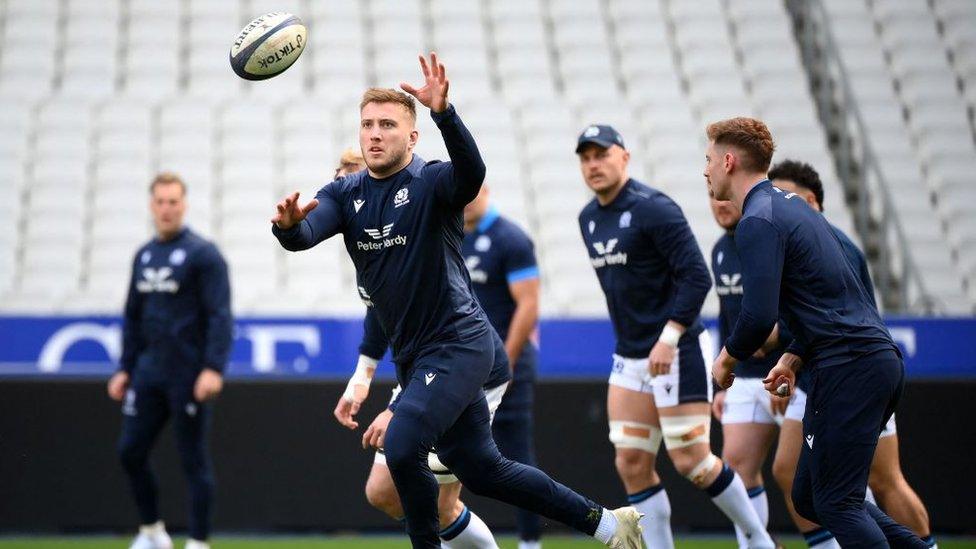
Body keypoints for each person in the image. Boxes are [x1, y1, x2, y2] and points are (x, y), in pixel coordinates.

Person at [271, 53, 642, 549]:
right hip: (418, 357)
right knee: (484, 471)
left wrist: (445, 113)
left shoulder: (430, 182)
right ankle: (611, 526)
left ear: (413, 136)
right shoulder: (345, 192)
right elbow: (306, 232)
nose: (375, 134)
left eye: (388, 124)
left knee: (403, 448)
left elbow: (472, 173)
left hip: (460, 346)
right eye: (367, 125)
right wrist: (289, 227)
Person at [706, 117, 926, 548]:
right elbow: (837, 299)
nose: (705, 169)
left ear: (729, 161)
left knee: (836, 502)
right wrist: (794, 355)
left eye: (709, 159)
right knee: (809, 494)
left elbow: (756, 316)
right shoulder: (789, 207)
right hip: (863, 362)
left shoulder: (757, 220)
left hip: (849, 368)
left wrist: (726, 359)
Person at [576, 124, 775, 548]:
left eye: (602, 154)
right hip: (630, 357)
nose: (593, 164)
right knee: (631, 462)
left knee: (693, 461)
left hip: (677, 347)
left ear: (624, 157)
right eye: (586, 157)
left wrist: (668, 336)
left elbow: (696, 277)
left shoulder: (654, 207)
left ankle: (758, 539)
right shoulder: (588, 219)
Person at [338, 184, 544, 549]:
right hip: (442, 362)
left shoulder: (509, 239)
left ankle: (533, 541)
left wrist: (506, 360)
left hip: (490, 364)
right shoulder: (430, 233)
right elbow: (381, 313)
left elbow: (528, 305)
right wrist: (364, 374)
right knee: (402, 493)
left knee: (507, 460)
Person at [768, 159, 936, 548]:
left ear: (810, 201)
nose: (776, 206)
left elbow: (846, 322)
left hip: (851, 374)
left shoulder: (836, 245)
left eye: (785, 197)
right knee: (798, 479)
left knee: (881, 481)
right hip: (817, 377)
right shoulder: (794, 244)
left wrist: (761, 345)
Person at [107, 172, 233, 549]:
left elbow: (220, 315)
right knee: (130, 451)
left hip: (188, 373)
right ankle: (152, 533)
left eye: (173, 201)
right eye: (160, 202)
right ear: (151, 206)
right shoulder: (144, 255)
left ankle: (197, 541)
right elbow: (132, 316)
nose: (166, 208)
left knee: (192, 459)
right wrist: (125, 368)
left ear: (184, 205)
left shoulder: (203, 254)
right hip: (148, 372)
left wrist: (213, 367)